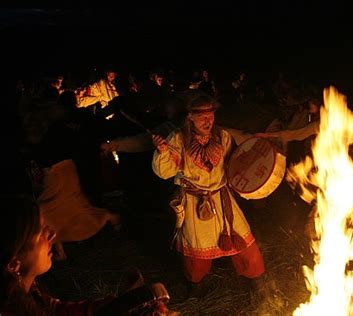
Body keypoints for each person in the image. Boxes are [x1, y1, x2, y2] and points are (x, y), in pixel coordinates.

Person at [151, 95, 266, 295]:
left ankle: (257, 281)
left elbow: (235, 163)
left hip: (222, 199)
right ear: (190, 118)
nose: (208, 121)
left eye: (211, 116)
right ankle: (196, 287)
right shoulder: (178, 140)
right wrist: (162, 152)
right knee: (197, 252)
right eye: (202, 117)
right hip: (195, 202)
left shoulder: (222, 136)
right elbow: (165, 172)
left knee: (245, 243)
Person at [0, 195, 175, 315]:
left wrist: (121, 304)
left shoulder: (26, 289)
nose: (53, 235)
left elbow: (58, 311)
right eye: (40, 234)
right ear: (14, 264)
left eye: (46, 226)